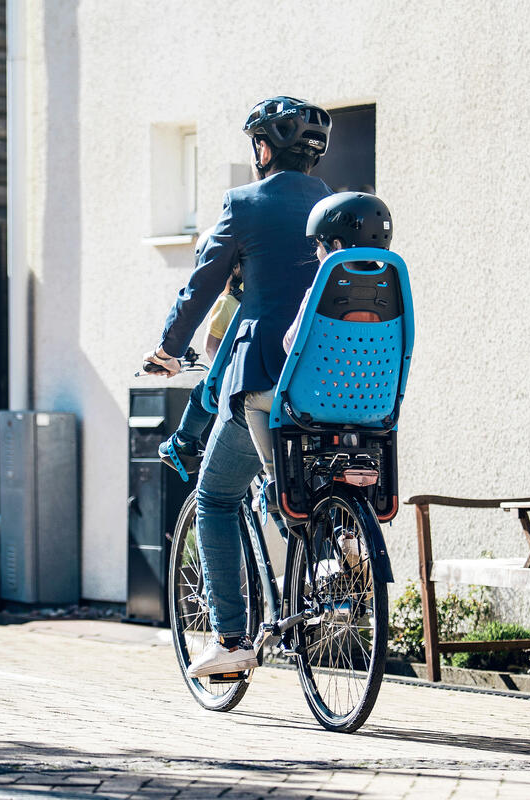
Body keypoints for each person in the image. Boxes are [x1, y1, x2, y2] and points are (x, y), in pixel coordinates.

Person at [143, 96, 332, 677]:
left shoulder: (244, 204)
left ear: (263, 147)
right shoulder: (336, 206)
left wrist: (168, 352)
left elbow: (201, 289)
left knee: (214, 496)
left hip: (265, 380)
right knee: (297, 484)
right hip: (333, 381)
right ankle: (332, 559)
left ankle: (229, 642)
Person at [244, 192, 394, 483]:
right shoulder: (392, 295)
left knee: (252, 401)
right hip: (376, 402)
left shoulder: (319, 292)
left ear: (336, 244)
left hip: (317, 399)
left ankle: (276, 478)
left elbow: (291, 344)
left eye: (318, 244)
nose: (316, 253)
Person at [157, 229, 242, 478]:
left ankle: (184, 441)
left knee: (200, 395)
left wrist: (219, 375)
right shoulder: (258, 298)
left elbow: (210, 346)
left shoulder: (226, 303)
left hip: (234, 377)